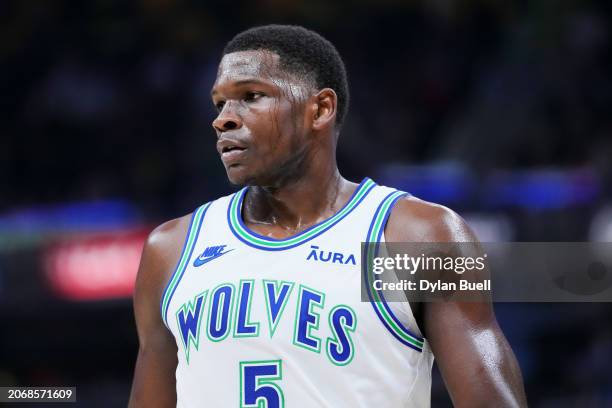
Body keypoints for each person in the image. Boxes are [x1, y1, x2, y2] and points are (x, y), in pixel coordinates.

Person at [128, 24, 527, 407]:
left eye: (251, 96)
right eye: (219, 103)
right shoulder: (172, 249)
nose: (223, 118)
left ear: (320, 109)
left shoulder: (413, 235)